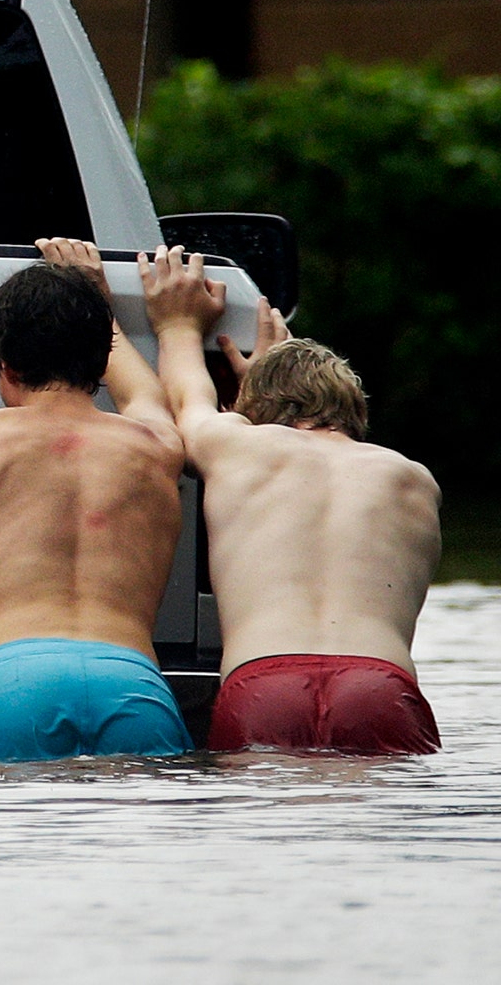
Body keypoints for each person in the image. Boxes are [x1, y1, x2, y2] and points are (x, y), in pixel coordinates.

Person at [0, 233, 192, 761]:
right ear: (100, 365)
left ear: (6, 367)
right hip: (131, 681)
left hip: (15, 681)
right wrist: (97, 303)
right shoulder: (157, 444)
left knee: (10, 843)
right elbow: (143, 393)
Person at [140, 246, 441, 754]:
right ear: (355, 410)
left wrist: (177, 326)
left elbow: (189, 398)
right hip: (378, 688)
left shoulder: (239, 447)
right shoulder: (412, 479)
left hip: (266, 683)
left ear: (248, 409)